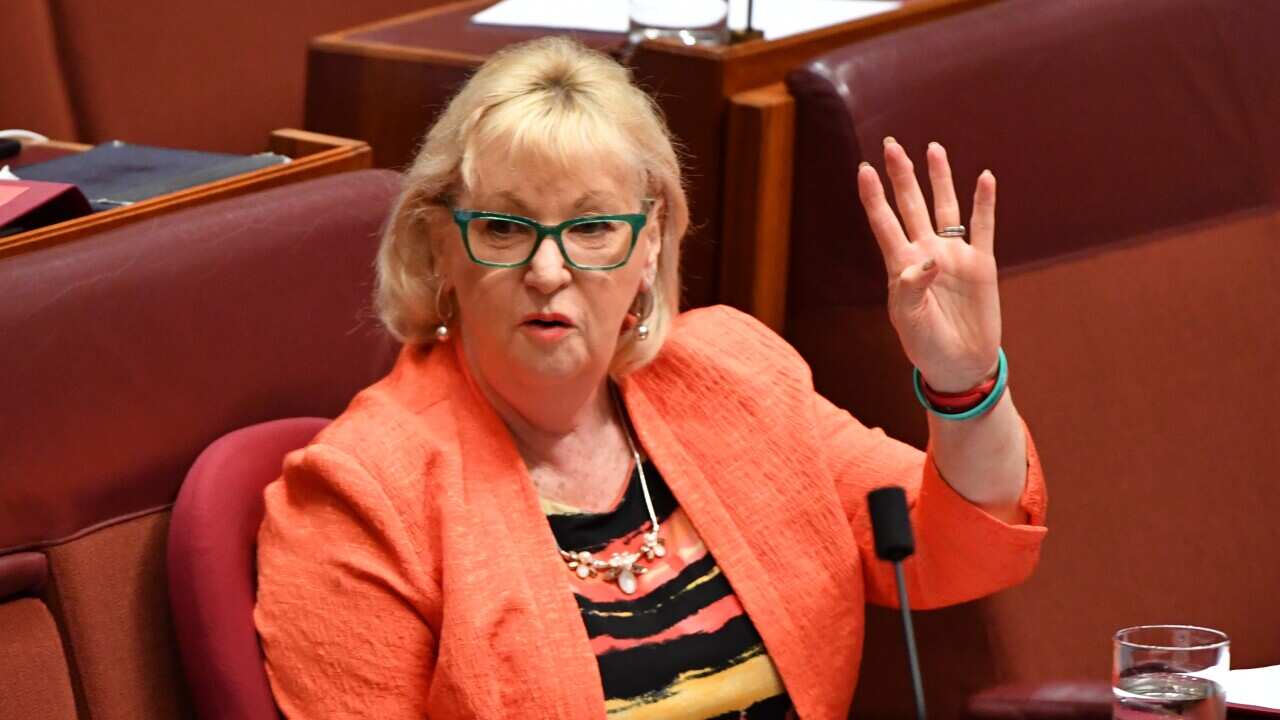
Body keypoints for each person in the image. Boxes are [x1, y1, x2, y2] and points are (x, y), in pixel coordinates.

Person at [254, 36, 1046, 720]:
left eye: (593, 227)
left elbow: (963, 548)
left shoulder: (735, 378)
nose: (548, 269)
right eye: (504, 226)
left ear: (649, 243)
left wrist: (964, 380)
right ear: (440, 248)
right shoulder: (363, 497)